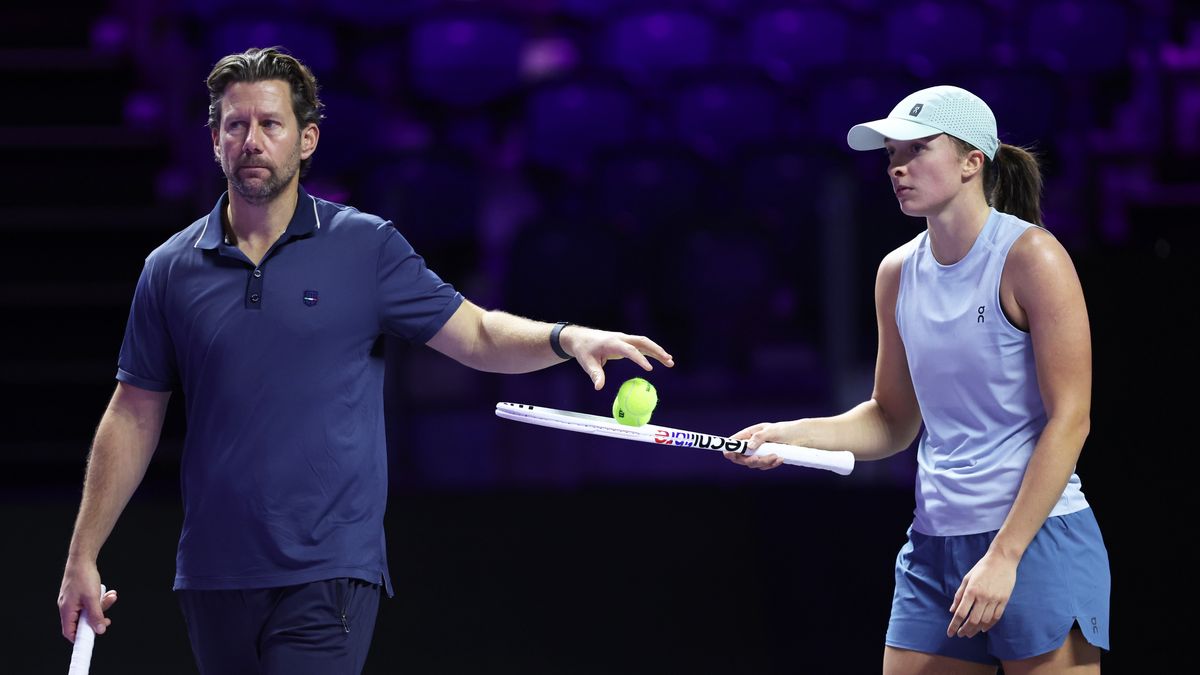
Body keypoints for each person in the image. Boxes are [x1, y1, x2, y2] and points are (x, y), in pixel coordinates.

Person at [56, 46, 673, 674]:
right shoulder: (168, 269)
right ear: (214, 139)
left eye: (271, 124)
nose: (251, 140)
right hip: (213, 575)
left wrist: (566, 338)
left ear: (307, 139)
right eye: (235, 125)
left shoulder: (365, 246)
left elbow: (479, 335)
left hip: (328, 573)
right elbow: (133, 413)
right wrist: (83, 553)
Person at [724, 85, 1109, 673]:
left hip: (1036, 539)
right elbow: (891, 420)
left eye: (917, 150)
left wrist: (1005, 556)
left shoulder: (1034, 257)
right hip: (934, 546)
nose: (897, 168)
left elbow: (1071, 418)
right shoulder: (897, 273)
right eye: (890, 156)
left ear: (971, 161)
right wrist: (788, 436)